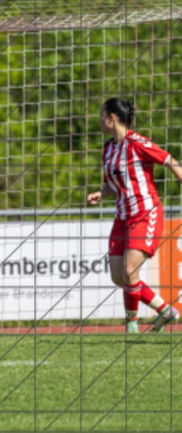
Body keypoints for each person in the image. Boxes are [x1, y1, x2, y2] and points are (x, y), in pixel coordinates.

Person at [86, 97, 182, 333]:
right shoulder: (108, 149)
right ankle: (165, 311)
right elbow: (112, 184)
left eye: (101, 115)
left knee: (130, 271)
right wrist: (101, 193)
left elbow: (169, 160)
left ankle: (131, 324)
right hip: (122, 217)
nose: (99, 120)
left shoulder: (138, 143)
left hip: (145, 213)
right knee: (118, 276)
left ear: (112, 118)